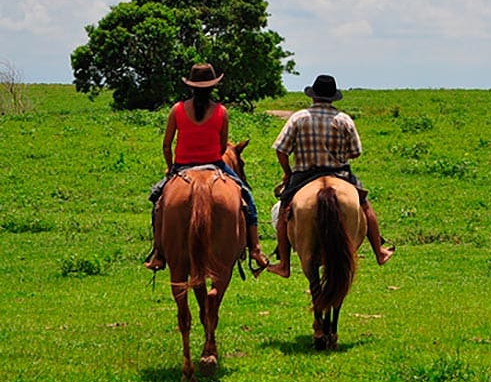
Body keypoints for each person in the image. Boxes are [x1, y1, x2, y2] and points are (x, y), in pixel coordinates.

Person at [144, 63, 271, 272]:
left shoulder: (177, 110)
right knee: (247, 196)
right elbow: (222, 147)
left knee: (158, 202)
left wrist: (171, 167)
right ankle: (255, 249)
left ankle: (158, 253)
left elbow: (166, 145)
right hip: (214, 164)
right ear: (213, 87)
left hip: (182, 165)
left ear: (191, 87)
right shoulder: (221, 111)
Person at [265, 74, 394, 278]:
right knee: (365, 205)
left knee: (284, 210)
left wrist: (288, 172)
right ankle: (379, 251)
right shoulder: (343, 119)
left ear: (313, 96)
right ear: (333, 98)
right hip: (339, 173)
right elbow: (356, 152)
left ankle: (284, 263)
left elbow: (281, 149)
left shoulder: (298, 118)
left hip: (304, 174)